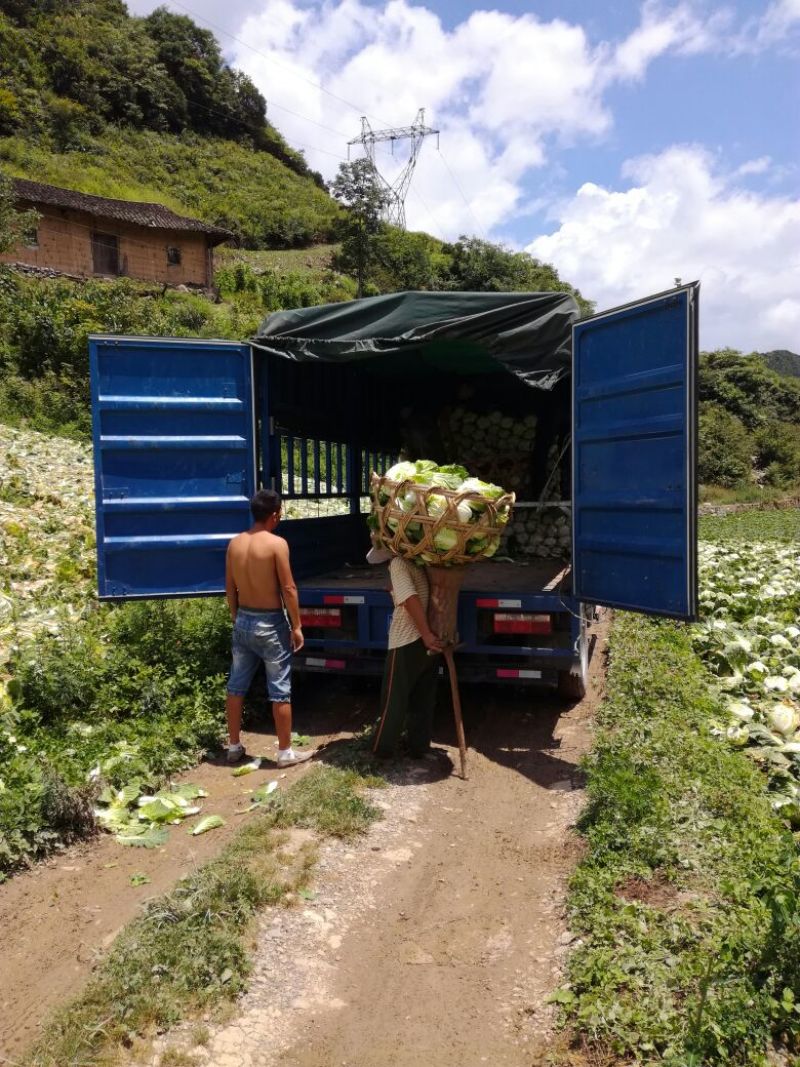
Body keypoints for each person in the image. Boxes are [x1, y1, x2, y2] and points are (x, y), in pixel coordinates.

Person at [224, 489, 313, 767]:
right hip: (271, 622)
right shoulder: (277, 544)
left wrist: (237, 616)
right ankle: (285, 752)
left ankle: (234, 746)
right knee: (280, 690)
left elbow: (230, 587)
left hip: (243, 620)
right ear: (275, 515)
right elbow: (288, 587)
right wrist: (296, 625)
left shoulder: (235, 544)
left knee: (236, 686)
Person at [368, 545, 444, 758]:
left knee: (394, 698)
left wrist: (425, 634)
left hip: (406, 640)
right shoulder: (420, 563)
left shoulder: (398, 563)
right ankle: (419, 748)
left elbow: (410, 599)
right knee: (423, 698)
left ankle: (381, 752)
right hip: (427, 639)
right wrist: (428, 635)